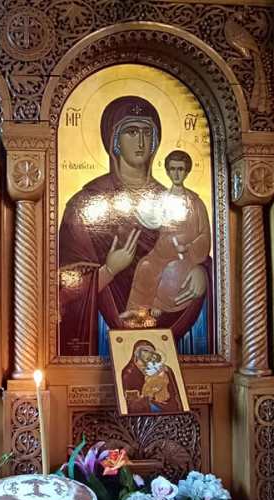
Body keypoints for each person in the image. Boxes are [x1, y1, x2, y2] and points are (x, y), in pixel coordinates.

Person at [58, 96, 210, 356]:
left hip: (167, 318)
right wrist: (109, 270)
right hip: (105, 333)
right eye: (131, 132)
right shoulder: (84, 202)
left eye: (147, 133)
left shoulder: (175, 200)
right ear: (114, 141)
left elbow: (193, 244)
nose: (141, 142)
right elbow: (63, 286)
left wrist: (201, 272)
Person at [125, 150, 211, 314]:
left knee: (172, 271)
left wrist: (188, 247)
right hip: (160, 253)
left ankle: (158, 306)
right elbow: (151, 222)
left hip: (184, 256)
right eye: (172, 169)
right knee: (145, 266)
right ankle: (136, 312)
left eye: (180, 169)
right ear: (167, 171)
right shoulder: (161, 200)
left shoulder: (195, 203)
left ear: (187, 172)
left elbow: (205, 236)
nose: (176, 174)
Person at [120, 340, 181, 413]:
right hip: (144, 405)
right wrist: (146, 397)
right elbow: (131, 401)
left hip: (164, 403)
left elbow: (173, 394)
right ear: (136, 353)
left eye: (151, 352)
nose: (148, 354)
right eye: (145, 351)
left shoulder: (163, 369)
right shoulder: (129, 372)